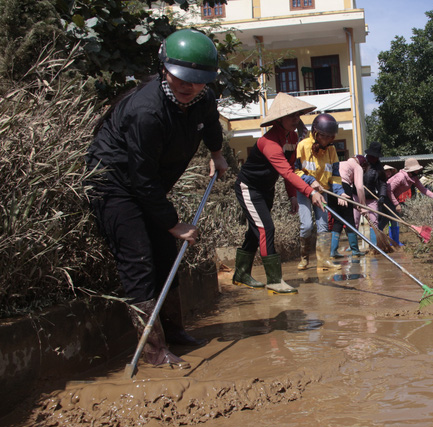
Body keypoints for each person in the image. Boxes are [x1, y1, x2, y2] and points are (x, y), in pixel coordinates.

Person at [86, 29, 227, 368]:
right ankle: (153, 350)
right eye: (181, 77)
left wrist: (217, 154)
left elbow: (209, 124)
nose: (187, 86)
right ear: (165, 67)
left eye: (196, 80)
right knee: (139, 260)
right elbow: (142, 178)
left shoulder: (203, 98)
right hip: (114, 183)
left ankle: (174, 331)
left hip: (148, 185)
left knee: (165, 254)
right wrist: (173, 223)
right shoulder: (146, 111)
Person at [233, 92, 326, 294]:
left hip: (266, 189)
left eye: (298, 115)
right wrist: (310, 192)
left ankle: (241, 274)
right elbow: (284, 171)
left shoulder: (292, 137)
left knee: (255, 230)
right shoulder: (269, 143)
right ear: (279, 119)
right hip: (248, 188)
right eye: (291, 115)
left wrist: (292, 195)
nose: (296, 119)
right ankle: (274, 281)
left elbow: (290, 169)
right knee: (266, 229)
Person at [295, 113, 347, 270]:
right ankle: (304, 258)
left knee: (324, 226)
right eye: (325, 136)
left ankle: (323, 262)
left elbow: (336, 176)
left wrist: (340, 192)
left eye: (331, 137)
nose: (328, 140)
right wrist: (311, 181)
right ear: (316, 133)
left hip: (323, 191)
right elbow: (295, 170)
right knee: (307, 226)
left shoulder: (331, 151)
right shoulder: (303, 146)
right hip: (304, 191)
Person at [383, 158, 433, 244]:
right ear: (411, 170)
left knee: (392, 219)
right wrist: (396, 204)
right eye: (416, 170)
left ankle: (394, 242)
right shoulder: (401, 177)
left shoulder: (414, 178)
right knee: (387, 220)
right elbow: (389, 190)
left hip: (392, 198)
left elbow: (423, 189)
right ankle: (383, 242)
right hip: (385, 198)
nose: (418, 171)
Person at [329, 154, 367, 258]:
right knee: (349, 219)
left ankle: (333, 251)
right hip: (343, 187)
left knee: (338, 220)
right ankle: (355, 250)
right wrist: (363, 206)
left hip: (330, 189)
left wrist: (356, 206)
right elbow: (359, 187)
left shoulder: (342, 163)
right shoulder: (357, 166)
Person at [362, 141, 388, 244]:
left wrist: (382, 195)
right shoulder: (361, 162)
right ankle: (354, 248)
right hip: (357, 196)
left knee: (374, 221)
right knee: (354, 221)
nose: (375, 158)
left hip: (371, 197)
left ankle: (374, 246)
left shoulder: (379, 168)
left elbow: (382, 183)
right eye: (373, 156)